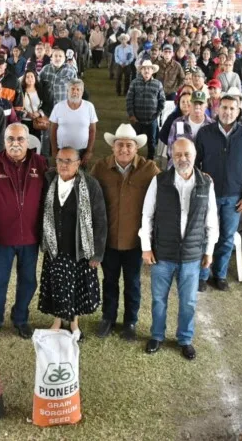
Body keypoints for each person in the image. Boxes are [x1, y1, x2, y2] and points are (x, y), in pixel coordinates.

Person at [140, 138, 218, 360]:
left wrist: (209, 250)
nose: (182, 159)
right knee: (158, 299)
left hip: (192, 256)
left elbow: (212, 220)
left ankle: (185, 339)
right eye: (178, 155)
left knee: (189, 301)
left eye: (187, 154)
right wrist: (146, 248)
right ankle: (157, 336)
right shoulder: (160, 181)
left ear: (194, 156)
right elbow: (147, 215)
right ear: (171, 157)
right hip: (163, 254)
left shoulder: (206, 184)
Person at [91, 124, 159, 340]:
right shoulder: (100, 168)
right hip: (108, 239)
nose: (124, 149)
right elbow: (87, 193)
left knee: (133, 283)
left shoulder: (149, 169)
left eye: (129, 145)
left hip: (134, 241)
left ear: (136, 148)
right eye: (119, 145)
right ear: (113, 147)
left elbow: (168, 184)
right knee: (109, 281)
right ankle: (108, 318)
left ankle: (130, 322)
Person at [0, 123, 48, 338]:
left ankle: (20, 318)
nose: (15, 143)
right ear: (4, 141)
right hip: (1, 237)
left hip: (30, 236)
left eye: (20, 139)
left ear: (28, 142)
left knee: (28, 280)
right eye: (11, 139)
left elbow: (46, 199)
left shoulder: (40, 163)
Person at [195, 93, 242, 290]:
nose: (227, 112)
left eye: (232, 108)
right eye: (224, 107)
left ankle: (220, 275)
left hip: (234, 197)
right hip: (209, 196)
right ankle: (203, 275)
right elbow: (195, 164)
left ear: (239, 111)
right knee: (206, 236)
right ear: (217, 109)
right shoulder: (205, 133)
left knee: (226, 237)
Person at [39, 147, 106, 339]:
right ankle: (58, 321)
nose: (64, 165)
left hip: (80, 249)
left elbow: (100, 220)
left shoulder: (91, 185)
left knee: (75, 287)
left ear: (78, 163)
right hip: (55, 246)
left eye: (69, 161)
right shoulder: (49, 181)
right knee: (57, 285)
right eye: (60, 160)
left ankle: (74, 323)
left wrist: (97, 253)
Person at [49, 79, 98, 165]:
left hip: (82, 151)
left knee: (81, 175)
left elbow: (92, 130)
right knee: (62, 174)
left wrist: (89, 151)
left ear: (82, 92)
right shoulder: (58, 106)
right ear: (67, 91)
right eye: (72, 89)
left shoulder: (89, 107)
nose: (75, 92)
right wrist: (54, 150)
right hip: (62, 150)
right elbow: (53, 130)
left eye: (78, 89)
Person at [126, 60, 165, 160]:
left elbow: (162, 100)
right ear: (141, 70)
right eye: (144, 68)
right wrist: (131, 115)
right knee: (134, 140)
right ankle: (133, 158)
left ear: (152, 71)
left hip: (152, 119)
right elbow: (129, 99)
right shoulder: (134, 83)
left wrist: (157, 114)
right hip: (136, 119)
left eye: (149, 68)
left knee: (151, 141)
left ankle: (150, 159)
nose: (147, 71)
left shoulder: (158, 84)